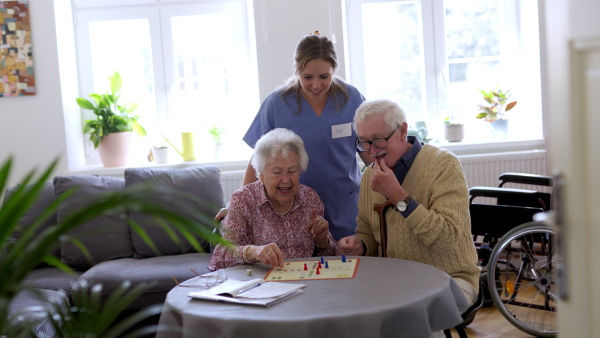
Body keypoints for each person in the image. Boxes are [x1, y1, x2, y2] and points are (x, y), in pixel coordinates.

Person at [217, 32, 372, 241]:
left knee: (349, 269)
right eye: (308, 77)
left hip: (344, 208)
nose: (316, 85)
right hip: (293, 212)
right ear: (297, 70)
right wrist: (236, 207)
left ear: (333, 71)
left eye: (324, 77)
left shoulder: (351, 99)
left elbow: (370, 154)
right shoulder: (277, 104)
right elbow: (257, 161)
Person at [338, 99, 480, 311]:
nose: (372, 151)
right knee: (347, 307)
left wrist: (397, 196)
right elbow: (367, 231)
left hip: (450, 277)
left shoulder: (444, 165)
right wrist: (361, 245)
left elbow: (447, 239)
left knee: (416, 315)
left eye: (378, 140)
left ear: (402, 131)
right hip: (393, 281)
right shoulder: (369, 175)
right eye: (364, 142)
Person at [208, 128, 337, 271]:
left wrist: (322, 241)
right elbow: (220, 258)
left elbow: (333, 258)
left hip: (305, 281)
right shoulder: (243, 200)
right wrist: (254, 252)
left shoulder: (310, 198)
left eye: (292, 171)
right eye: (277, 172)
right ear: (261, 175)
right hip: (261, 286)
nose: (286, 179)